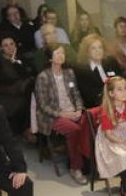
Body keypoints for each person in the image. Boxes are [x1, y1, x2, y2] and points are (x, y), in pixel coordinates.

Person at [34, 46, 89, 184]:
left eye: (63, 53)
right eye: (57, 53)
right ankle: (75, 168)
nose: (61, 55)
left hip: (72, 111)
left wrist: (79, 109)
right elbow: (43, 105)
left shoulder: (69, 73)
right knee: (74, 130)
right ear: (50, 57)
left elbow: (76, 94)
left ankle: (88, 163)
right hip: (53, 115)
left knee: (89, 123)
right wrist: (63, 114)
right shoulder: (43, 77)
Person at [0, 34, 35, 137]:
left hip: (25, 91)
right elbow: (4, 81)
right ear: (1, 48)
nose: (10, 47)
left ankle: (31, 129)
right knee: (31, 96)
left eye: (12, 44)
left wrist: (15, 62)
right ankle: (28, 130)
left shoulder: (22, 58)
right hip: (8, 95)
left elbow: (30, 73)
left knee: (33, 94)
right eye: (6, 45)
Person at [74, 34, 123, 110]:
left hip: (118, 102)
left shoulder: (111, 62)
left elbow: (121, 81)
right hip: (98, 107)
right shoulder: (82, 70)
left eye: (100, 47)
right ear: (87, 51)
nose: (98, 51)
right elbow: (90, 97)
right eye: (93, 48)